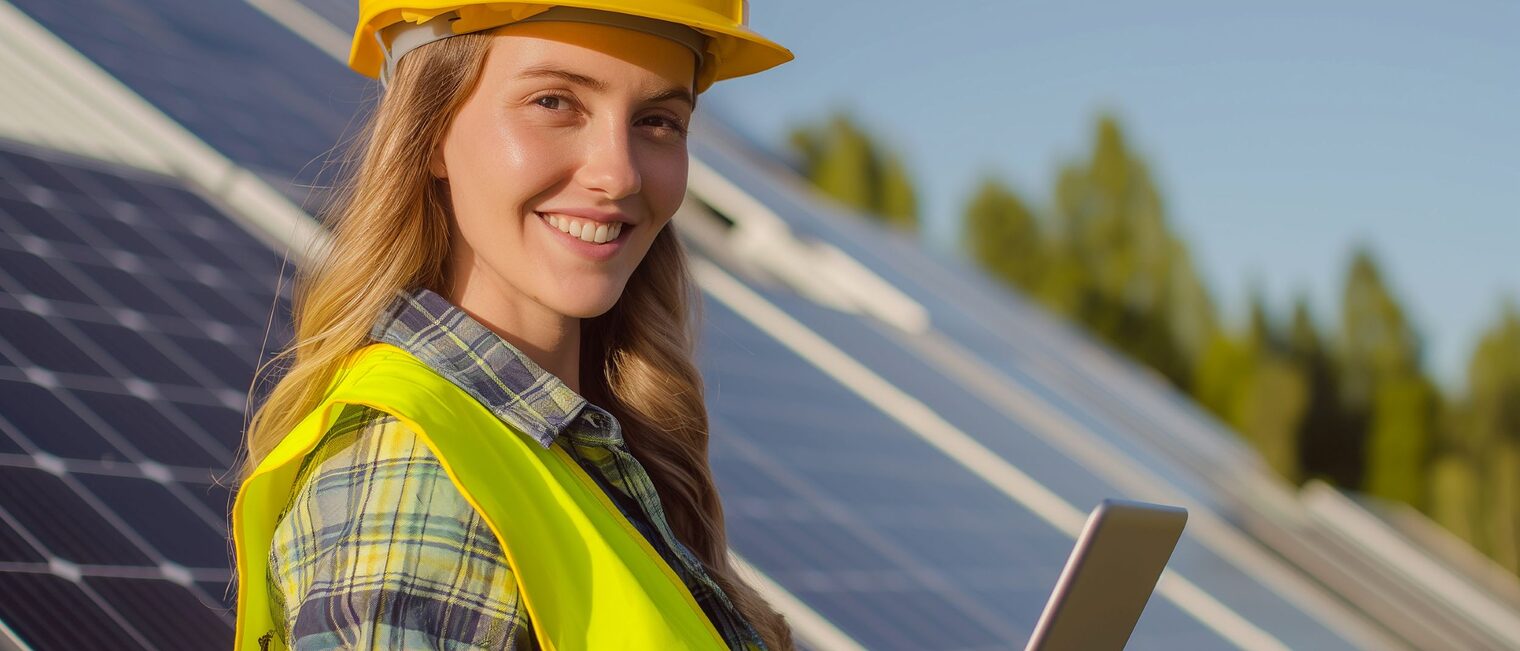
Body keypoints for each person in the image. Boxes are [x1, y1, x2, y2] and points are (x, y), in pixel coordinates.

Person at [229, 2, 794, 649]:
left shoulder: (573, 453)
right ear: (432, 127)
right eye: (555, 102)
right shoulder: (420, 480)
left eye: (658, 121)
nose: (619, 173)